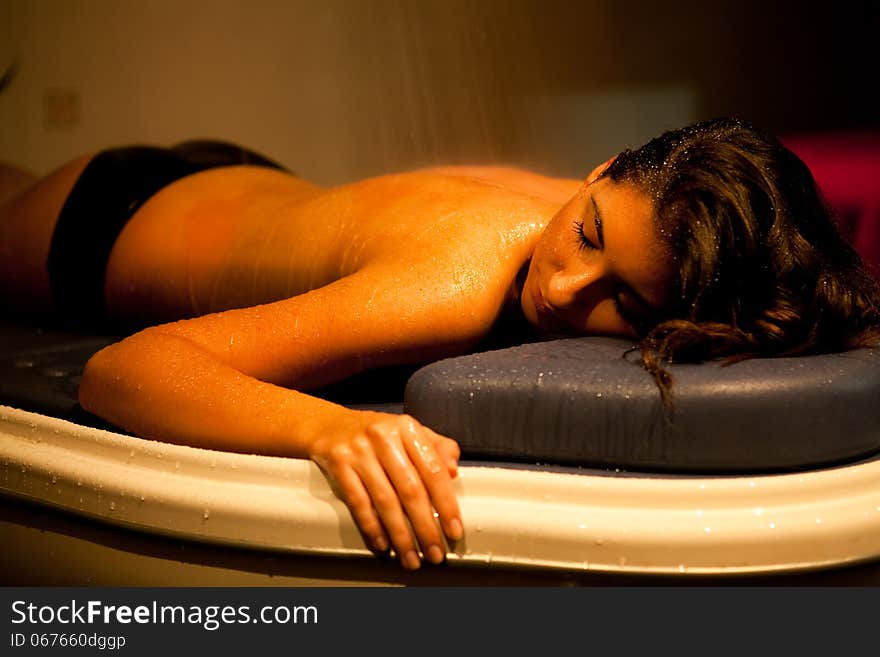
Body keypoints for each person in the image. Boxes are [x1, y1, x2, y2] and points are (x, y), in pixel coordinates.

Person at [1, 118, 878, 570]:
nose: (566, 287)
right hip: (100, 225)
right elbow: (125, 370)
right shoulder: (455, 285)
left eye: (625, 300)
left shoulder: (618, 206)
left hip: (241, 181)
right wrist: (326, 431)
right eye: (589, 232)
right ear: (603, 169)